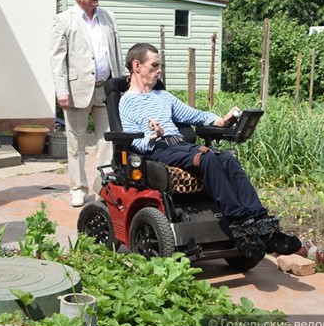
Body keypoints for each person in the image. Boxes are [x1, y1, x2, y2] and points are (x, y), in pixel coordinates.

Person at [119, 43, 301, 258]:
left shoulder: (164, 97)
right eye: (154, 66)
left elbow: (195, 115)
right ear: (137, 65)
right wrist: (153, 135)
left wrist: (220, 119)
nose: (159, 70)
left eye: (160, 66)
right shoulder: (127, 102)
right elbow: (133, 141)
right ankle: (239, 225)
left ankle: (266, 227)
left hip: (180, 146)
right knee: (207, 158)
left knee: (227, 158)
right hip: (157, 150)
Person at [50, 0, 126, 207]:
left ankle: (102, 185)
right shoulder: (63, 20)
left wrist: (121, 83)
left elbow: (116, 51)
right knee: (76, 143)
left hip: (106, 89)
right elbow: (56, 58)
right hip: (75, 91)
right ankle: (78, 188)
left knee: (107, 140)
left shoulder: (108, 17)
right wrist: (61, 90)